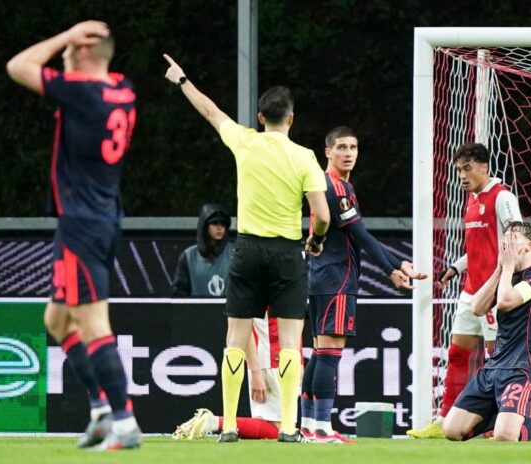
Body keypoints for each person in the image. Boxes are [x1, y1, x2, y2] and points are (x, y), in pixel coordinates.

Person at [163, 54, 331, 443]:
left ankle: (229, 426)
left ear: (260, 118)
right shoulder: (304, 157)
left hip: (249, 250)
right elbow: (321, 215)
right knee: (290, 342)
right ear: (291, 118)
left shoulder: (245, 141)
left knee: (235, 339)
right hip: (287, 253)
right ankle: (288, 427)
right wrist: (316, 240)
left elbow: (210, 112)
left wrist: (182, 79)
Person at [6, 21, 141, 450]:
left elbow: (18, 66)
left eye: (70, 52)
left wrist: (68, 34)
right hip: (101, 217)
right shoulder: (124, 89)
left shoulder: (82, 92)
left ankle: (124, 423)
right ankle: (100, 411)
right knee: (56, 319)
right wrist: (79, 46)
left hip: (82, 223)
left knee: (92, 323)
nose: (63, 58)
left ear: (83, 53)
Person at [301, 126, 427, 443]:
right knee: (329, 353)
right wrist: (393, 266)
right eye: (341, 147)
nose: (348, 153)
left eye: (353, 147)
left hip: (321, 278)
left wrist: (395, 266)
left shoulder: (331, 184)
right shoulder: (336, 188)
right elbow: (360, 235)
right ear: (327, 152)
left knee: (319, 352)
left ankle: (308, 424)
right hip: (337, 279)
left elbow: (354, 236)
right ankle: (322, 428)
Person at [407, 142, 522, 439]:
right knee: (457, 353)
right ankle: (444, 419)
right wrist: (456, 267)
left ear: (484, 167)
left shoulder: (502, 197)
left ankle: (503, 420)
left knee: (497, 358)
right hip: (471, 290)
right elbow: (479, 247)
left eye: (467, 168)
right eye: (458, 169)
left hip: (494, 292)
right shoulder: (472, 200)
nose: (461, 175)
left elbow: (518, 237)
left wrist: (506, 280)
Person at [441, 221, 531, 442]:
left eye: (513, 237)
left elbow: (506, 302)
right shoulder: (506, 276)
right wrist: (500, 268)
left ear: (530, 245)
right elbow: (477, 307)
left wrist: (507, 268)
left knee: (506, 436)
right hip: (494, 366)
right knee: (451, 431)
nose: (506, 242)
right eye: (504, 238)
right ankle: (504, 415)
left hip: (522, 367)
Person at [173, 312, 286, 440]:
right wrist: (256, 370)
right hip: (269, 359)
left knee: (283, 427)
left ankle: (218, 423)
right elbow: (243, 319)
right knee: (279, 429)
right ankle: (213, 422)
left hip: (277, 357)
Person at [172, 203, 235, 297]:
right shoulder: (188, 256)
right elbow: (179, 294)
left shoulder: (236, 253)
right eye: (214, 223)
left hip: (230, 306)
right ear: (205, 226)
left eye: (223, 223)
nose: (219, 227)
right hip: (196, 307)